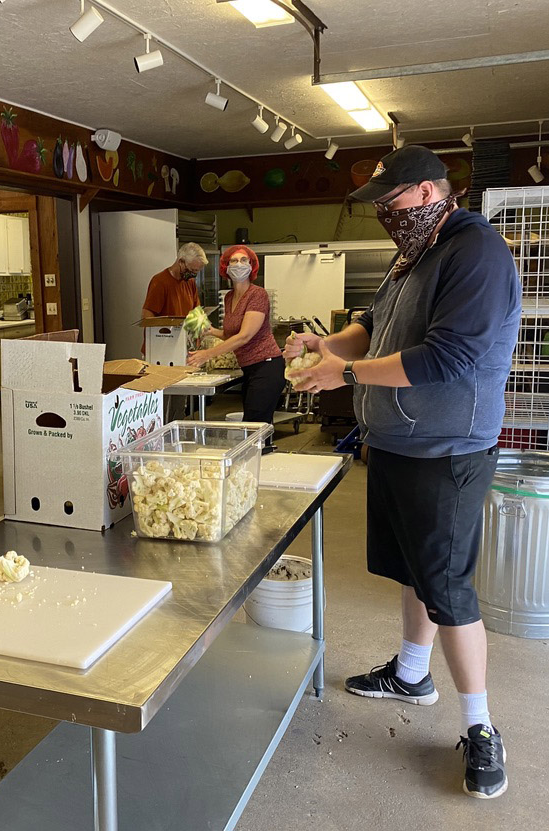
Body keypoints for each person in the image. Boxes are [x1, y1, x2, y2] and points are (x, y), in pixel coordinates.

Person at [286, 145, 521, 799]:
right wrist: (322, 346)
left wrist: (345, 373)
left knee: (446, 587)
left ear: (423, 193)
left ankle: (479, 725)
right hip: (394, 442)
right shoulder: (410, 254)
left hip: (446, 449)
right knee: (411, 569)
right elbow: (370, 325)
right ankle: (412, 673)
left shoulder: (475, 253)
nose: (382, 215)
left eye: (388, 203)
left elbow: (445, 358)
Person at [188, 244, 285, 428]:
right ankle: (263, 452)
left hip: (267, 366)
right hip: (249, 369)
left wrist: (206, 354)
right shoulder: (229, 297)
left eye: (243, 260)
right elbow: (230, 334)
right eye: (233, 260)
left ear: (252, 266)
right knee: (255, 426)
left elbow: (244, 336)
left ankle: (262, 454)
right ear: (226, 267)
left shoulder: (257, 295)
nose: (238, 264)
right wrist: (210, 331)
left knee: (254, 427)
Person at [142, 242, 207, 423]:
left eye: (197, 272)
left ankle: (176, 430)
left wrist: (200, 333)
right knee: (162, 402)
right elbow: (147, 316)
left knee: (179, 400)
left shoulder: (190, 283)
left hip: (181, 352)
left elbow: (197, 311)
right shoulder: (160, 282)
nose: (194, 275)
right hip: (161, 353)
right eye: (192, 270)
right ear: (181, 261)